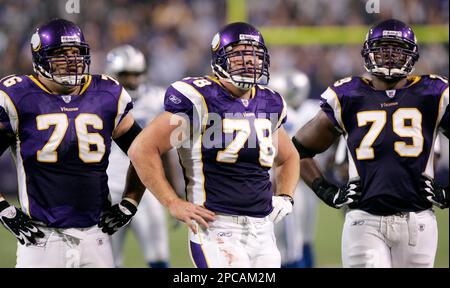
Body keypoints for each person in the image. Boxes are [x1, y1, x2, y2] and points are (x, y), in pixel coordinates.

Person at [128, 22, 300, 268]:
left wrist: (285, 196)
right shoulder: (199, 99)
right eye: (239, 54)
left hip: (263, 229)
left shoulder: (268, 101)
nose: (249, 61)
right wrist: (172, 202)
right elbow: (142, 149)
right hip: (216, 226)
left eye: (254, 54)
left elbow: (289, 156)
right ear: (220, 59)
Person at [292, 19, 448, 268]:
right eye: (382, 49)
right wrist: (326, 191)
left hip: (418, 221)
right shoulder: (349, 95)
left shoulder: (433, 93)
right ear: (368, 52)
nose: (389, 56)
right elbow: (297, 150)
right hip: (364, 220)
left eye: (397, 49)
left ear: (412, 54)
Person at [0, 19, 146, 268]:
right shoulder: (18, 95)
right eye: (59, 54)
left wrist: (131, 200)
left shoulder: (106, 93)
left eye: (76, 53)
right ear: (39, 58)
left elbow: (145, 152)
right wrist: (2, 208)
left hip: (96, 236)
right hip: (41, 238)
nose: (70, 60)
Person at [105, 44, 170, 268]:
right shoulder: (101, 101)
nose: (132, 80)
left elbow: (167, 147)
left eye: (136, 74)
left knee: (158, 255)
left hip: (147, 185)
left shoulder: (157, 99)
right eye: (125, 75)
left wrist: (174, 186)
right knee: (108, 259)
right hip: (108, 189)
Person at [270, 69, 322, 268]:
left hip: (310, 179)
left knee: (306, 233)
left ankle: (306, 263)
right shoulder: (279, 112)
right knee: (291, 237)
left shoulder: (313, 108)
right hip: (288, 180)